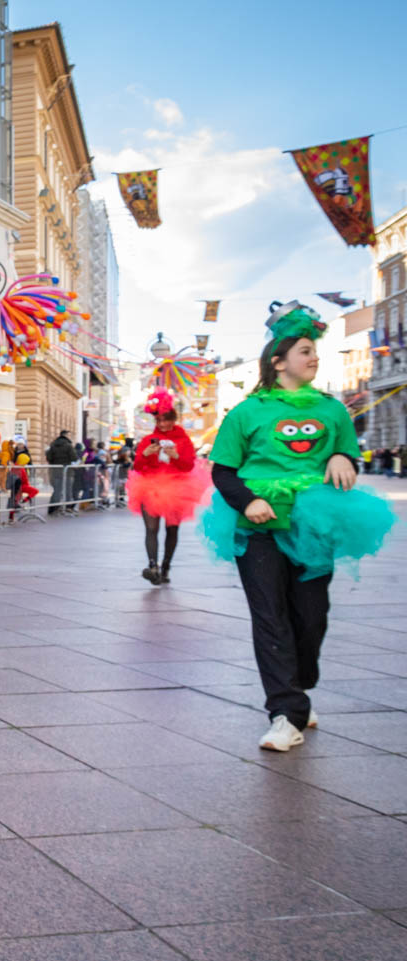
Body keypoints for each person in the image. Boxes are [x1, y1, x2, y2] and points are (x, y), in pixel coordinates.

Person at [203, 301, 395, 752]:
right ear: (278, 360)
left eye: (315, 352)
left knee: (311, 617)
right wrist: (248, 502)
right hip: (259, 528)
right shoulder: (246, 413)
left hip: (315, 525)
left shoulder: (333, 410)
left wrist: (341, 456)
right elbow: (223, 471)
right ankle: (284, 713)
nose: (313, 358)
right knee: (269, 616)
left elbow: (351, 452)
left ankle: (300, 686)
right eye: (305, 351)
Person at [127, 389, 208, 585]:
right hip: (150, 487)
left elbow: (189, 465)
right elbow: (138, 467)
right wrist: (146, 453)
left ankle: (165, 568)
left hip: (176, 488)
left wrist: (175, 456)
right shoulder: (148, 440)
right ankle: (152, 566)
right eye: (159, 420)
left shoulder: (183, 439)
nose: (163, 424)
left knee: (172, 530)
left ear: (173, 418)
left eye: (166, 419)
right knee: (151, 529)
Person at [47, 428, 76, 512]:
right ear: (66, 435)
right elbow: (74, 457)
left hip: (56, 470)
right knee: (68, 489)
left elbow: (49, 457)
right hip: (67, 470)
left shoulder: (53, 444)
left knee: (57, 489)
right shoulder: (68, 445)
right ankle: (68, 507)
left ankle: (53, 507)